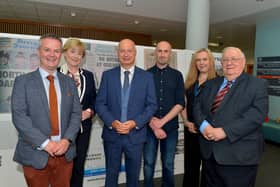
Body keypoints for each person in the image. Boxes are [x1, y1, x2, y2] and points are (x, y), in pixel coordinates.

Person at [11, 33, 82, 187]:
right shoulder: (23, 82)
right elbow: (19, 117)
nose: (52, 55)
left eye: (56, 51)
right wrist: (45, 143)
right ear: (39, 52)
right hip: (35, 153)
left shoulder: (69, 82)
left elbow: (76, 114)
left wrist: (67, 140)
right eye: (47, 50)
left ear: (60, 54)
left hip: (65, 154)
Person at [193, 47, 268, 187]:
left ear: (243, 62)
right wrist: (204, 126)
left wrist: (225, 131)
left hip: (239, 158)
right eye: (225, 60)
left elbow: (257, 115)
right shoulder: (210, 84)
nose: (229, 63)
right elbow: (197, 106)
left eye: (234, 59)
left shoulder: (257, 85)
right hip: (209, 155)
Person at [95, 38, 157, 187]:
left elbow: (152, 105)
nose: (126, 54)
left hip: (136, 135)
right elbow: (100, 103)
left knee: (133, 178)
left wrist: (136, 122)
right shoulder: (108, 75)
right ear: (117, 53)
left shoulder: (147, 77)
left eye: (129, 50)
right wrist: (112, 122)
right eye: (122, 50)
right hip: (112, 136)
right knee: (111, 176)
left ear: (135, 53)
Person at [143, 41, 185, 187]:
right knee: (148, 163)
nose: (162, 54)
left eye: (165, 51)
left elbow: (180, 103)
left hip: (171, 128)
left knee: (168, 164)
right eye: (159, 51)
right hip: (149, 128)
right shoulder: (145, 75)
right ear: (155, 53)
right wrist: (153, 124)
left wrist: (162, 122)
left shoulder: (177, 75)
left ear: (170, 54)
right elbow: (141, 103)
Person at [58, 38, 96, 187]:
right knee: (61, 169)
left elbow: (95, 100)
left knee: (78, 167)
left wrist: (90, 111)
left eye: (79, 53)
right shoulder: (55, 74)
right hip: (61, 130)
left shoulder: (88, 76)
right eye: (72, 51)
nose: (75, 56)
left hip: (83, 130)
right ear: (65, 53)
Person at [181, 48, 216, 187]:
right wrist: (186, 122)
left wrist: (207, 127)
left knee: (209, 169)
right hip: (191, 130)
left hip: (208, 131)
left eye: (204, 59)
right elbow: (183, 104)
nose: (201, 63)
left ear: (211, 61)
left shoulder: (218, 81)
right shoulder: (190, 81)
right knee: (190, 168)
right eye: (198, 60)